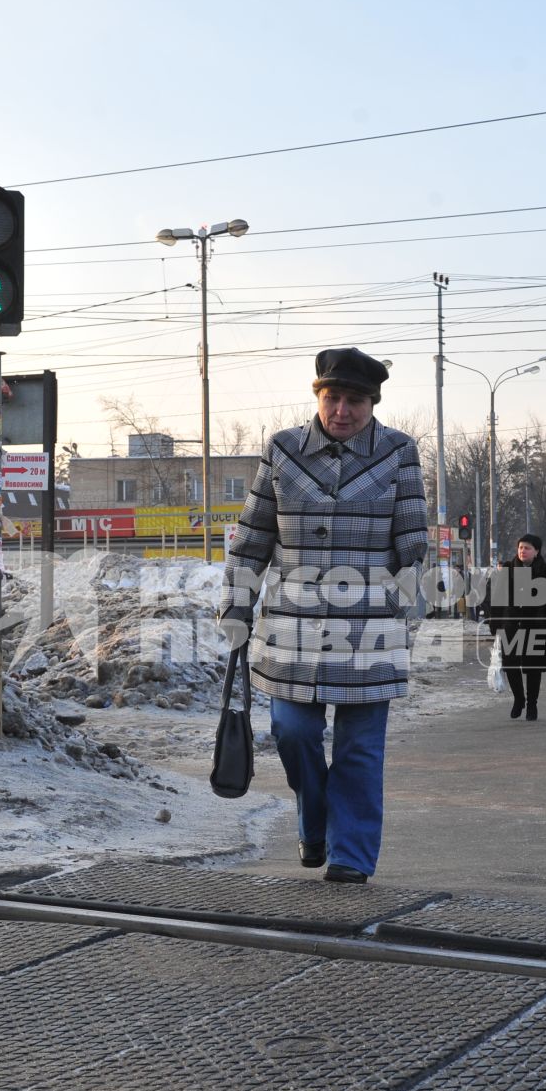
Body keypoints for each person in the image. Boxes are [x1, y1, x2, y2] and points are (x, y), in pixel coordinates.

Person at [220, 347, 428, 884]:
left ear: (372, 403)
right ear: (318, 396)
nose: (342, 410)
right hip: (291, 625)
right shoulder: (282, 450)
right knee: (291, 733)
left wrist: (410, 609)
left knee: (360, 750)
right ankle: (314, 823)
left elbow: (412, 542)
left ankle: (350, 857)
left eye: (354, 400)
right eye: (333, 397)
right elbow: (253, 538)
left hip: (370, 627)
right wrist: (236, 604)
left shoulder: (399, 452)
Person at [482, 534, 546, 720]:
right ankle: (519, 699)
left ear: (536, 551)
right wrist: (494, 622)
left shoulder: (545, 570)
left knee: (533, 668)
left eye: (527, 548)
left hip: (536, 625)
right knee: (511, 666)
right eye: (521, 547)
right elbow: (493, 597)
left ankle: (532, 705)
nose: (523, 551)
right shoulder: (507, 569)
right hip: (511, 626)